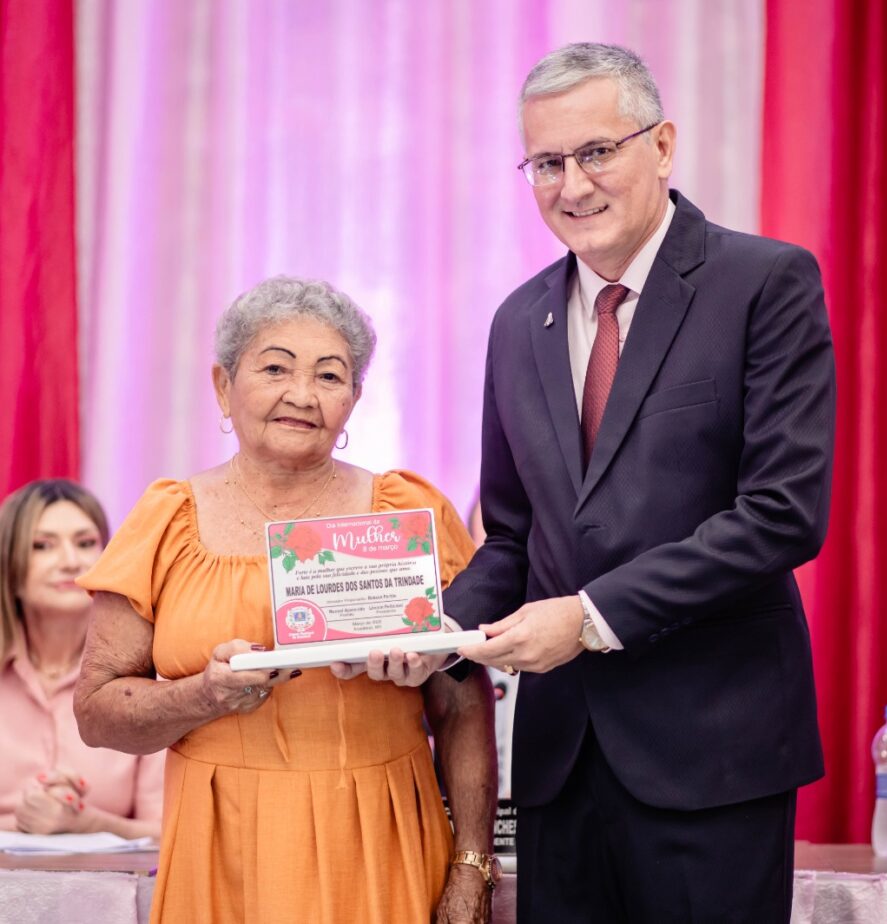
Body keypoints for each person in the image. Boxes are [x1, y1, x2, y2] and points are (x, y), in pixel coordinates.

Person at [447, 43, 835, 923]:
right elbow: (512, 537)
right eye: (547, 163)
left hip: (714, 754)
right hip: (559, 764)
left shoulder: (764, 283)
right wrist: (430, 631)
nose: (572, 184)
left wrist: (588, 619)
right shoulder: (517, 321)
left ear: (661, 145)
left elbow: (781, 514)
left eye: (596, 152)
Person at [74, 277, 497, 924]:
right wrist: (202, 695)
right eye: (275, 368)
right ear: (223, 385)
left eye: (329, 376)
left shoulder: (406, 513)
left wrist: (471, 867)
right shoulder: (166, 521)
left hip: (380, 839)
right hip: (221, 846)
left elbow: (464, 701)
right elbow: (96, 715)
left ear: (354, 399)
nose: (302, 395)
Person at [0, 479, 163, 838]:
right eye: (42, 546)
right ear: (8, 565)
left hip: (112, 876)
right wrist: (24, 821)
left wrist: (88, 824)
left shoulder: (149, 676)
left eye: (86, 543)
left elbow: (168, 835)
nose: (71, 562)